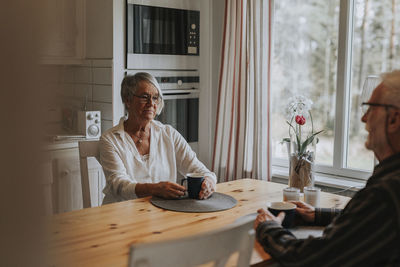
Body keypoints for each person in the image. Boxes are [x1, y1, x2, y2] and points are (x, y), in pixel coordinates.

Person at [254, 70, 400, 266]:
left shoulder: (385, 194)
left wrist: (269, 228)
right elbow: (370, 222)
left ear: (394, 119)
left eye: (371, 108)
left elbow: (310, 259)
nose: (364, 118)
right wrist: (317, 214)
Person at [100, 72, 216, 204]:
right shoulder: (110, 139)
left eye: (155, 98)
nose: (151, 103)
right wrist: (155, 189)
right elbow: (118, 185)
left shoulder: (169, 134)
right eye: (145, 97)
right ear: (128, 100)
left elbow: (199, 170)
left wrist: (209, 182)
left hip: (161, 212)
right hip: (120, 214)